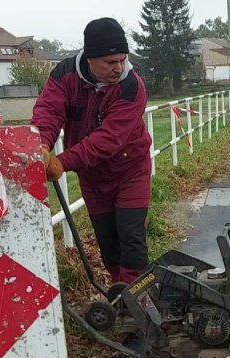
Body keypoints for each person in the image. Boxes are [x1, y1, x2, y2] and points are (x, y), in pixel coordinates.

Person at [32, 17, 152, 287]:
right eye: (111, 63)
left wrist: (61, 162)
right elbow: (49, 110)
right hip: (93, 177)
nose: (118, 68)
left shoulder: (132, 87)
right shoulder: (64, 75)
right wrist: (41, 144)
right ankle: (121, 295)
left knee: (131, 239)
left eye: (122, 60)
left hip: (130, 170)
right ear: (89, 58)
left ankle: (139, 300)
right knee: (108, 241)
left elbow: (109, 139)